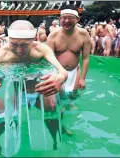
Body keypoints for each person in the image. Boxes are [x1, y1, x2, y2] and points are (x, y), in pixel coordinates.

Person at [0, 20, 68, 154]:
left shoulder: (41, 49)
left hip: (36, 88)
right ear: (8, 40)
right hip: (12, 89)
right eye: (14, 44)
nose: (19, 50)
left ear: (34, 39)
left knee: (53, 108)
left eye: (24, 45)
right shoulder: (2, 54)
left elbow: (62, 71)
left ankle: (56, 140)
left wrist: (61, 78)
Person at [46, 7, 91, 135]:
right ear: (60, 19)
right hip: (58, 73)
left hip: (74, 72)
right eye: (63, 18)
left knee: (71, 97)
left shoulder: (83, 34)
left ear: (77, 19)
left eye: (70, 18)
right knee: (59, 101)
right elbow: (48, 58)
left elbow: (86, 58)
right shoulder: (54, 35)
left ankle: (64, 119)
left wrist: (82, 78)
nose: (66, 21)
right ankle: (60, 126)